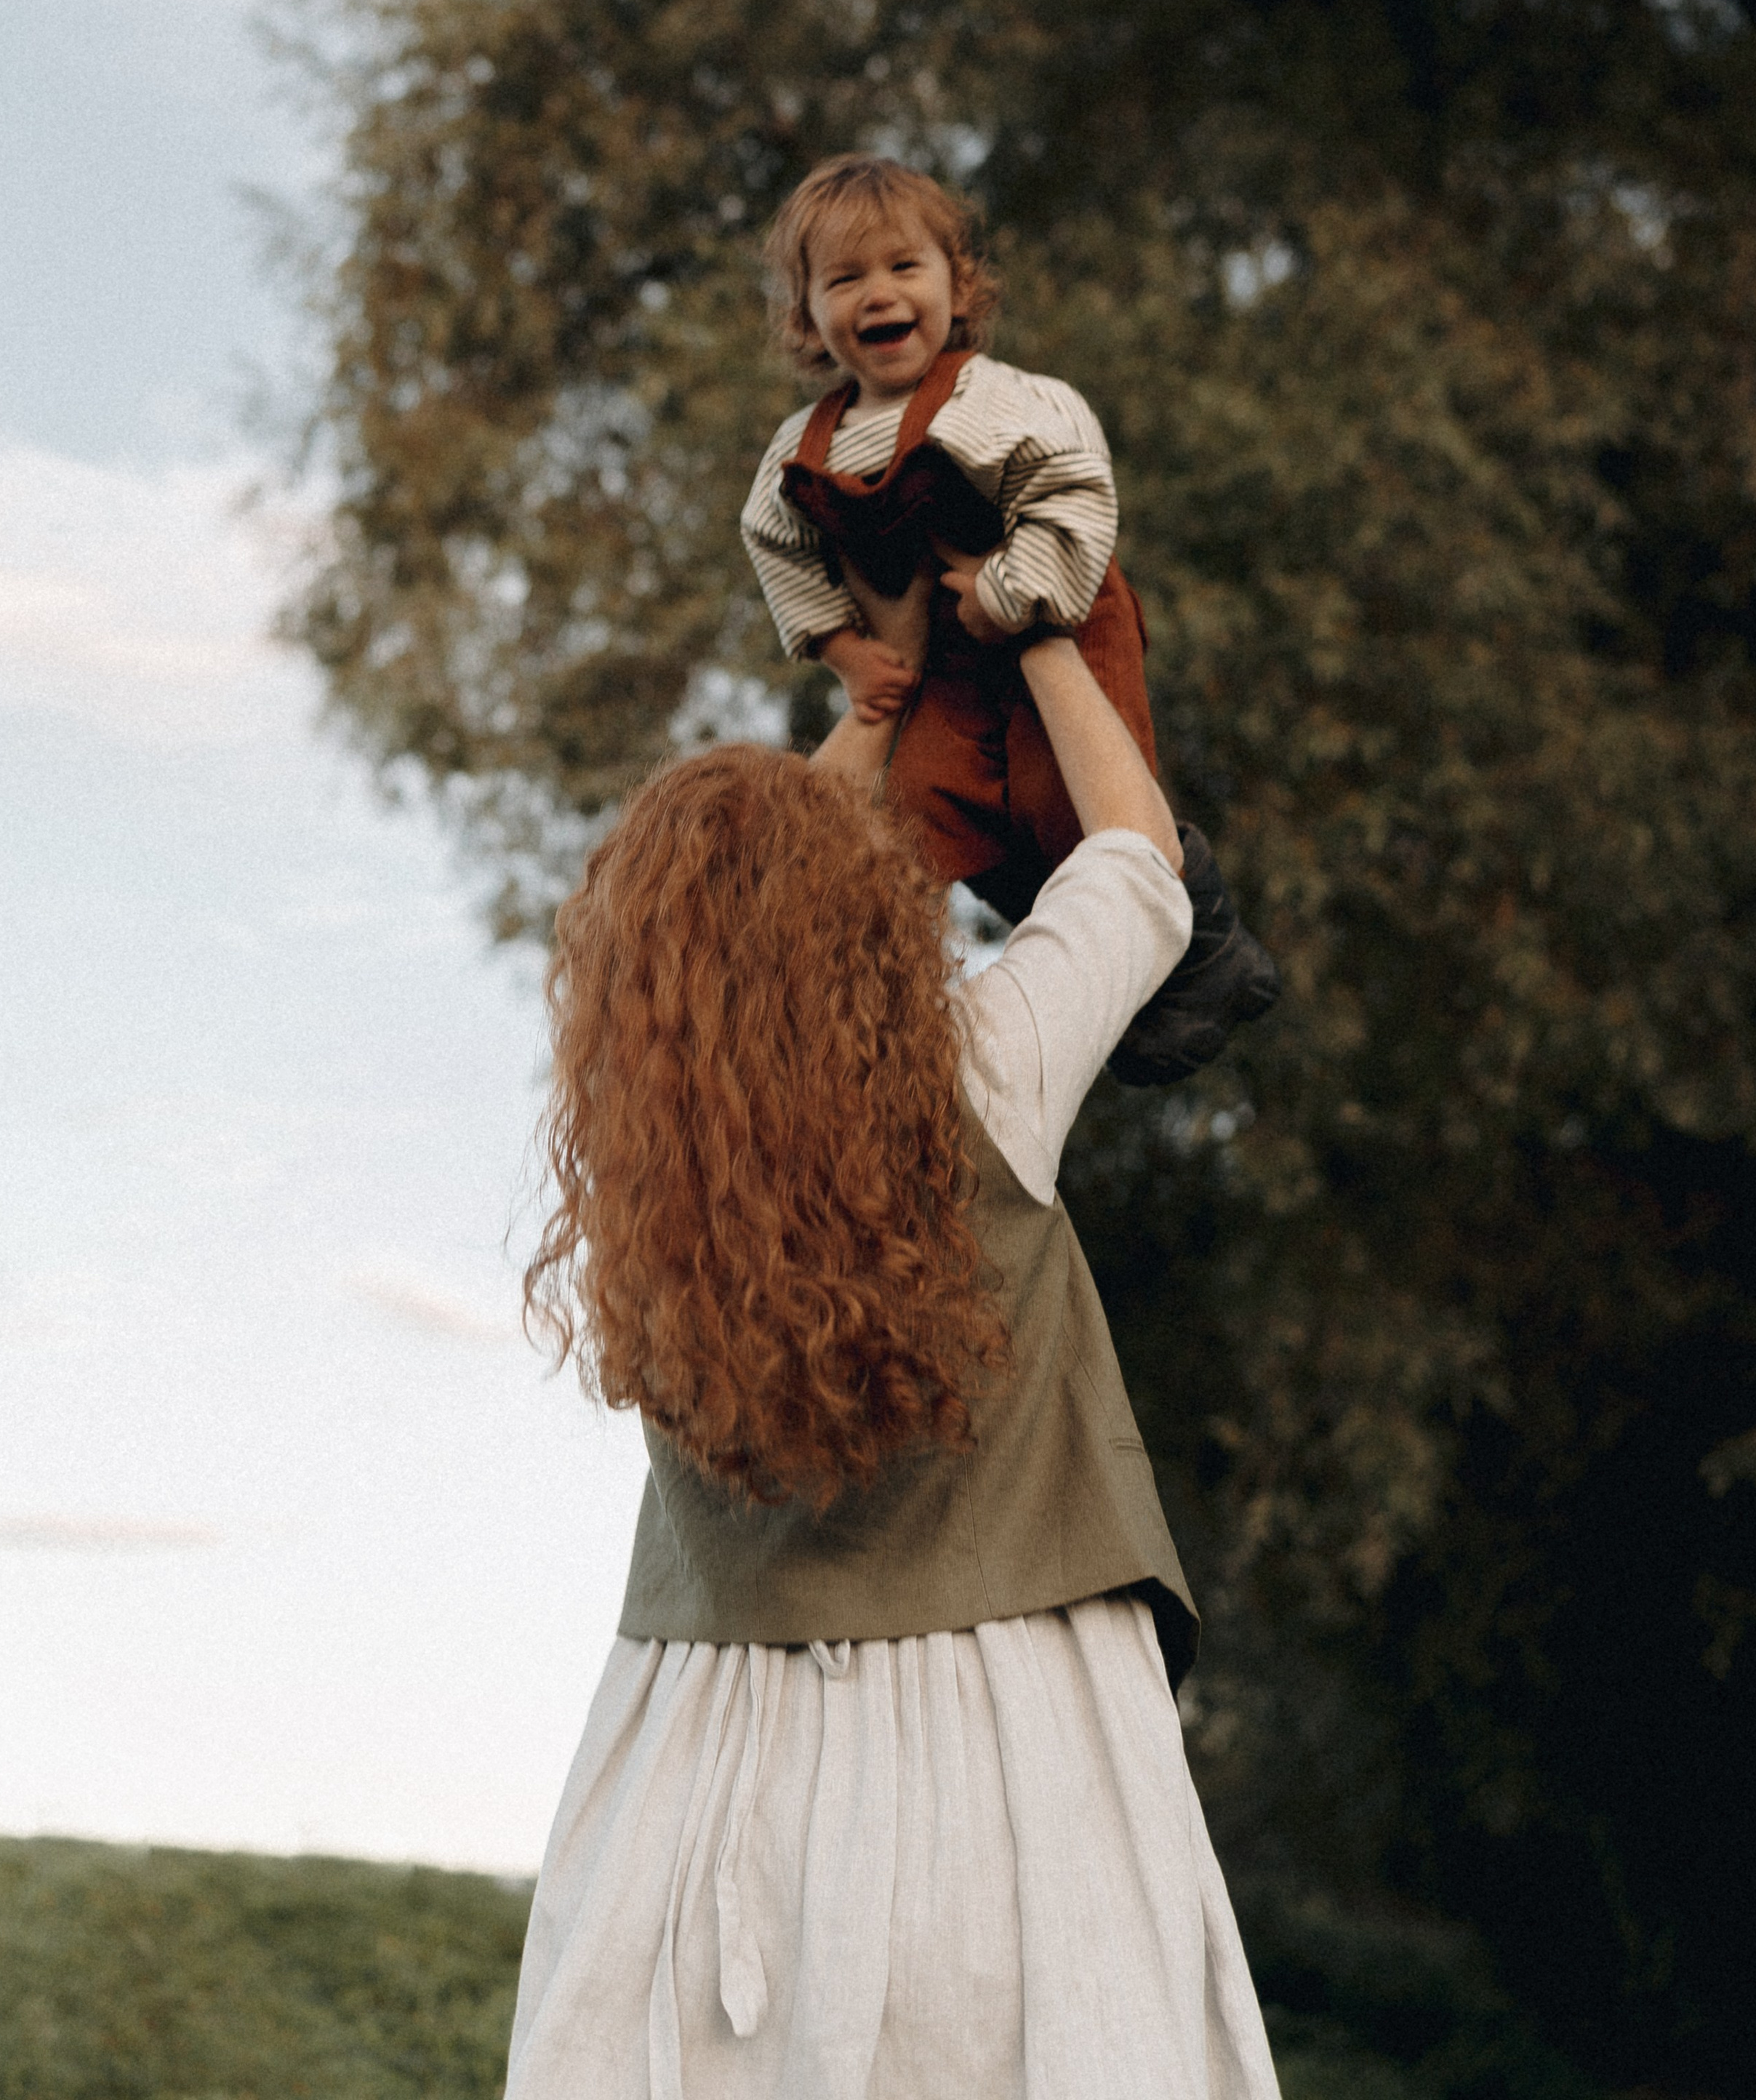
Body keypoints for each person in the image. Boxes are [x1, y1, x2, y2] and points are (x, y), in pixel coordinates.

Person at [504, 633, 1282, 2100]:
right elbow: (1131, 867)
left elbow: (731, 938)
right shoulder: (985, 1080)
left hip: (700, 1766)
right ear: (860, 917)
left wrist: (874, 711)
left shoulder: (650, 1192)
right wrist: (1045, 635)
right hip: (1001, 1749)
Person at [739, 152, 1278, 1085]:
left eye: (904, 268)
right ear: (808, 316)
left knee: (1058, 796)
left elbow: (1073, 492)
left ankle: (1194, 946)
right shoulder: (802, 446)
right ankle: (934, 1007)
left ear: (957, 284)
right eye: (844, 278)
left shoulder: (1000, 400)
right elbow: (775, 547)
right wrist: (844, 654)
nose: (879, 293)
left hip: (1049, 613)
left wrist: (1008, 594)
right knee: (916, 820)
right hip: (939, 665)